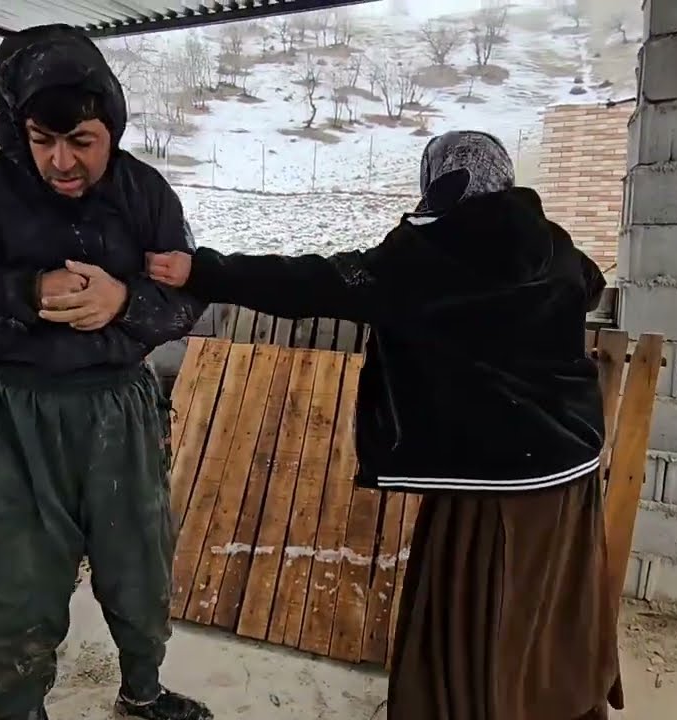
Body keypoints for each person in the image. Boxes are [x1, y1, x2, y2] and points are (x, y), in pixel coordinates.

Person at [146, 131, 621, 720]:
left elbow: (310, 283)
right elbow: (592, 285)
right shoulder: (558, 249)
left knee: (481, 612)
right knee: (550, 603)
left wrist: (206, 269)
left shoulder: (424, 258)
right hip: (572, 470)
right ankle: (563, 702)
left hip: (492, 485)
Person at [0, 23, 212, 720]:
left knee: (139, 563)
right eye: (43, 140)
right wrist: (24, 294)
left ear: (112, 126)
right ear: (19, 131)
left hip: (119, 409)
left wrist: (126, 301)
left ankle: (143, 690)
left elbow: (185, 295)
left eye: (81, 142)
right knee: (17, 583)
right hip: (20, 415)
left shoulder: (145, 195)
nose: (61, 163)